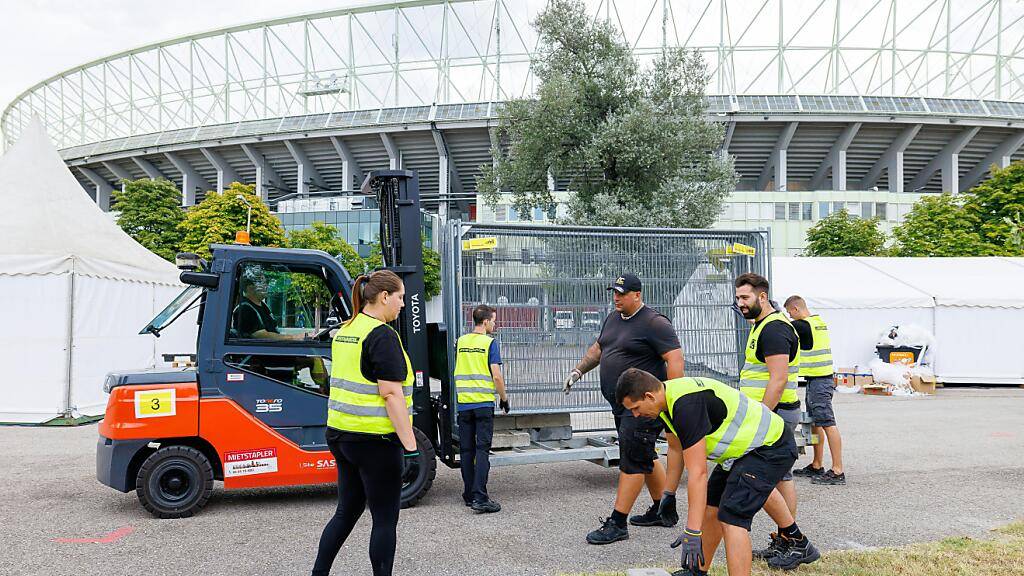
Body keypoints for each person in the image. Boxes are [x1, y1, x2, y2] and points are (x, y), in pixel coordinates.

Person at [616, 368, 819, 575]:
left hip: (770, 446)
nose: (635, 415)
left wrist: (692, 531)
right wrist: (669, 493)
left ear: (649, 396)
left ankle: (796, 541)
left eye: (636, 408)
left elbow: (698, 473)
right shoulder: (667, 401)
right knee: (712, 506)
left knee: (732, 516)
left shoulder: (686, 406)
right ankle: (697, 571)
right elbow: (676, 448)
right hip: (744, 451)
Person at [564, 273, 685, 545]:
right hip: (622, 405)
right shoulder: (613, 319)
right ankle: (663, 510)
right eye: (614, 292)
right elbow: (598, 348)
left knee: (632, 460)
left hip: (644, 407)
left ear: (637, 295)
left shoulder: (655, 323)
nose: (616, 297)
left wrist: (674, 399)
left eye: (622, 293)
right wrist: (578, 371)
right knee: (644, 455)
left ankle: (618, 523)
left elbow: (675, 359)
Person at [312, 270, 418, 576]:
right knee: (385, 519)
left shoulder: (348, 329)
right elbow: (391, 394)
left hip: (341, 435)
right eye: (400, 297)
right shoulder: (382, 335)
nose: (401, 304)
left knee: (346, 511)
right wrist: (410, 447)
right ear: (384, 297)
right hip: (375, 441)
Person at [734, 273, 815, 565]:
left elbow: (778, 379)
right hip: (773, 412)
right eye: (738, 297)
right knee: (781, 476)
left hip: (774, 414)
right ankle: (786, 540)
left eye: (745, 297)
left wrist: (760, 418)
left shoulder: (774, 330)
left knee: (760, 477)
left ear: (762, 297)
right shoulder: (762, 326)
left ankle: (794, 541)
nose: (740, 303)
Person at [455, 304, 510, 513]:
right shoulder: (489, 343)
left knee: (466, 451)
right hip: (483, 404)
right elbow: (496, 375)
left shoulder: (461, 342)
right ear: (485, 322)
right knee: (482, 450)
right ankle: (480, 497)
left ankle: (469, 494)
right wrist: (503, 398)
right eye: (493, 321)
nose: (495, 325)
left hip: (464, 404)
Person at [784, 296, 845, 486]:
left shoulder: (803, 325)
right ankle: (817, 464)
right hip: (818, 380)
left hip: (820, 382)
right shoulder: (817, 322)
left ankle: (837, 470)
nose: (789, 316)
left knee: (827, 422)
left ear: (795, 309)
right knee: (817, 422)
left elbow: (781, 326)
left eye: (789, 312)